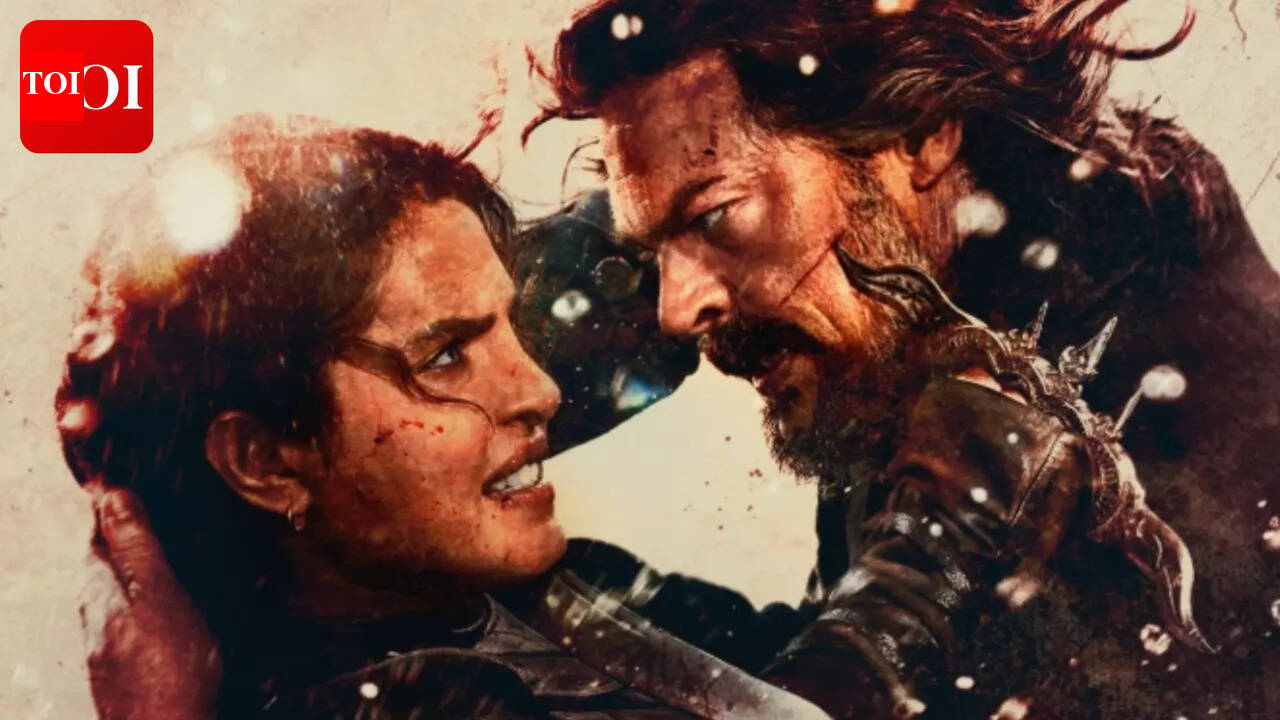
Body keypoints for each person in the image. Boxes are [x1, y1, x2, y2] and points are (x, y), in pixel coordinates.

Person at [66, 114, 1011, 720]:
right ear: (266, 461)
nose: (540, 390)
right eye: (447, 356)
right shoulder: (425, 701)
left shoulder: (512, 593)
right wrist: (960, 500)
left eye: (511, 329)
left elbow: (792, 674)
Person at [524, 0, 1280, 716]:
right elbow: (828, 649)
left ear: (916, 136)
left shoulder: (1155, 359)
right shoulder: (901, 320)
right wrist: (528, 586)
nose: (675, 310)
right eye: (655, 253)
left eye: (714, 215)